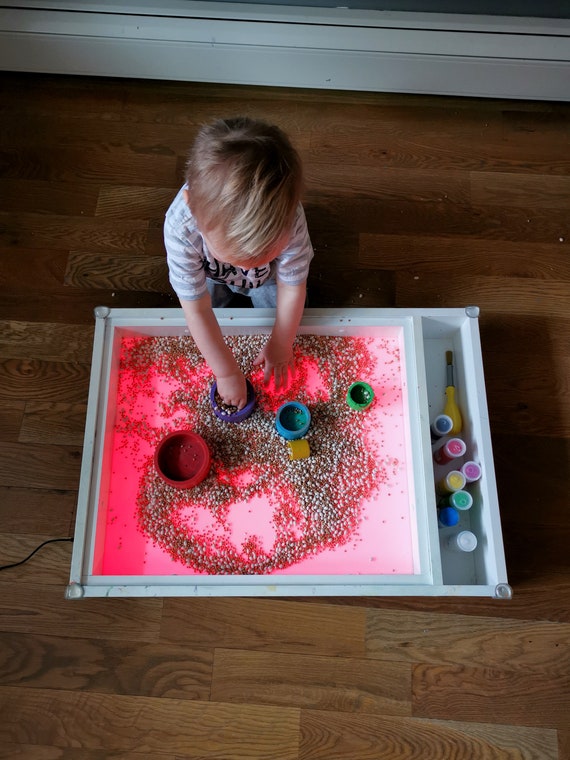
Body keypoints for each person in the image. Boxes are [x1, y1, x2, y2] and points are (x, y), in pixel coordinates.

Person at [164, 116, 314, 410]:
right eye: (235, 258)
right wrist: (226, 371)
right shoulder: (182, 227)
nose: (245, 269)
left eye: (265, 253)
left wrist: (282, 344)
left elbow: (293, 286)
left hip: (270, 278)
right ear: (193, 208)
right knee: (211, 311)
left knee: (286, 312)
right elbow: (196, 307)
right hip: (211, 275)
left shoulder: (290, 220)